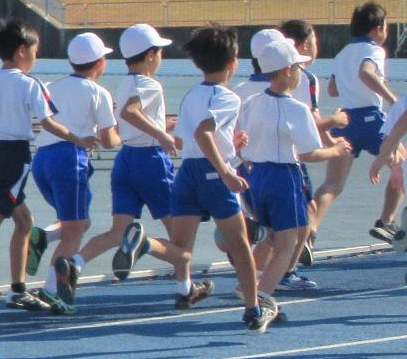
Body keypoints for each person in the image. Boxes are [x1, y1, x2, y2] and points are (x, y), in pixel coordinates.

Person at [0, 19, 80, 310]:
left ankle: (17, 288)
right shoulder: (29, 84)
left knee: (23, 222)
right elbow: (48, 122)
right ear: (22, 51)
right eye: (35, 50)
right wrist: (77, 138)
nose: (36, 56)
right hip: (14, 156)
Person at [72, 23, 207, 305]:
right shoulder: (150, 84)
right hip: (151, 162)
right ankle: (180, 284)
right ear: (149, 56)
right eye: (159, 52)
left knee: (116, 231)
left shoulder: (122, 84)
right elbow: (131, 112)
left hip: (126, 161)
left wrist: (161, 124)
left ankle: (75, 263)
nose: (161, 58)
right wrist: (162, 134)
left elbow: (130, 115)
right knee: (180, 239)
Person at [165, 26, 272, 331]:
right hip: (213, 175)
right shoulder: (227, 97)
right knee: (239, 245)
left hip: (187, 173)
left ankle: (144, 245)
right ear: (233, 62)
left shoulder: (190, 96)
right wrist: (226, 169)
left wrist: (231, 147)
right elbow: (203, 133)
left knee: (181, 249)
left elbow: (188, 140)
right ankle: (253, 308)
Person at [240, 34, 348, 298]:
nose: (301, 72)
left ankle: (248, 285)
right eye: (298, 67)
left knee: (275, 236)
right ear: (288, 71)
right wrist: (336, 149)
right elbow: (308, 153)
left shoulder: (252, 103)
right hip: (283, 176)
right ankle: (261, 298)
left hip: (256, 175)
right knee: (287, 244)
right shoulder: (296, 109)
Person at [35, 32, 121, 308]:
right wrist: (129, 135)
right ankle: (51, 289)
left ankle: (44, 237)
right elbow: (109, 141)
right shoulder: (98, 93)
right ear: (99, 62)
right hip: (69, 159)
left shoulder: (53, 86)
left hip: (43, 158)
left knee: (80, 223)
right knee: (74, 231)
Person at [314, 3, 398, 243]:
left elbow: (331, 89)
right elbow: (366, 73)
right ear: (379, 28)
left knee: (332, 183)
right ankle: (386, 221)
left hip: (345, 120)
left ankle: (309, 228)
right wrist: (392, 99)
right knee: (400, 166)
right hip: (371, 118)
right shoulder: (374, 50)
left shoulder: (342, 54)